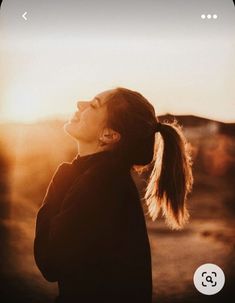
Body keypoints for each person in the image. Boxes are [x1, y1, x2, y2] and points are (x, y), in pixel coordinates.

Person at [33, 87, 193, 303]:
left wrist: (61, 179)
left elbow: (50, 263)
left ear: (109, 135)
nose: (80, 103)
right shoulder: (105, 177)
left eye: (94, 104)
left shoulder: (100, 182)